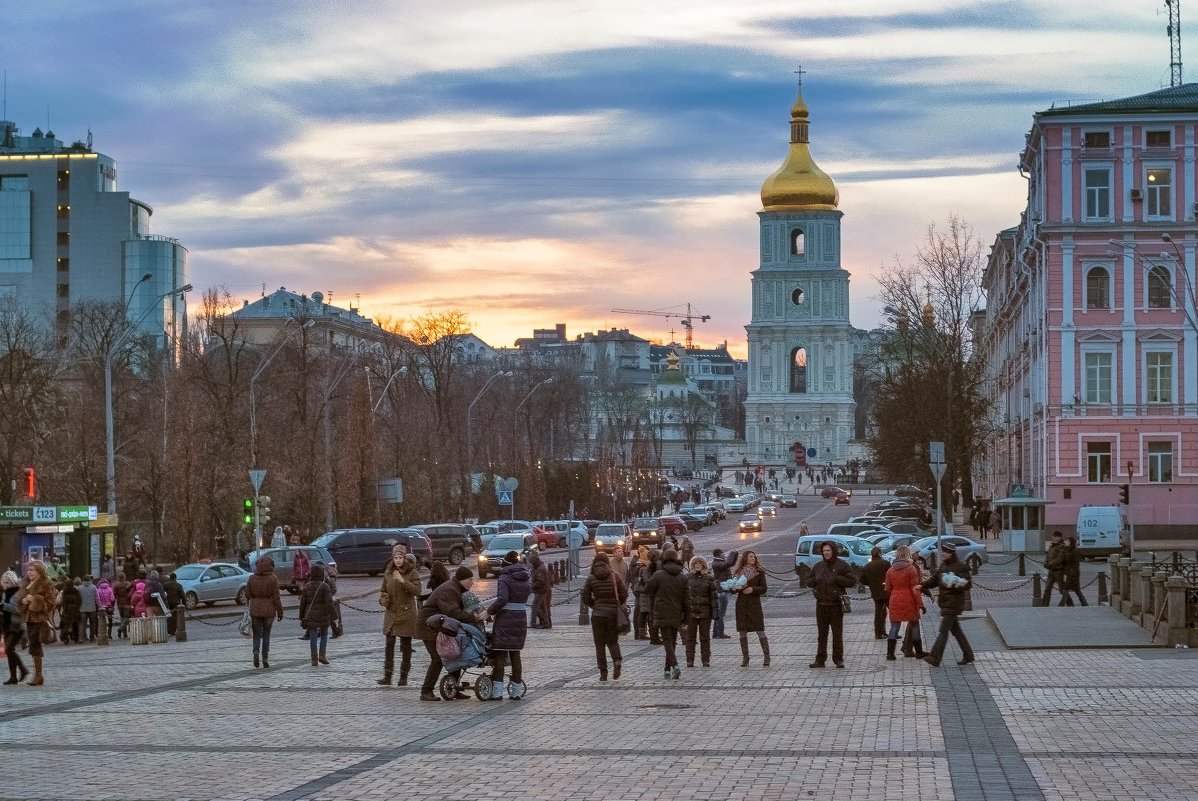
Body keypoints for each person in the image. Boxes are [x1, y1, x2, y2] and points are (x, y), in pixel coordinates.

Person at [415, 566, 481, 701]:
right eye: (470, 579)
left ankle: (454, 688)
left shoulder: (456, 588)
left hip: (440, 627)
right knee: (437, 659)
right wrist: (473, 618)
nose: (472, 583)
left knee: (455, 656)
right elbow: (452, 612)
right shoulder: (449, 590)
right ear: (462, 580)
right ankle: (426, 691)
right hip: (429, 627)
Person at [486, 551, 531, 699]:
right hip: (520, 617)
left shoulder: (505, 577)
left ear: (505, 564)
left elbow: (502, 599)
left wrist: (489, 612)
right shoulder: (525, 577)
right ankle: (516, 691)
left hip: (505, 618)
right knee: (515, 654)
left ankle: (497, 692)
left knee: (500, 654)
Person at [922, 542, 975, 667]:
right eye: (942, 552)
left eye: (944, 552)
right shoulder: (943, 566)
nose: (942, 554)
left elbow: (967, 584)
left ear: (950, 553)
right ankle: (968, 655)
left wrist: (955, 583)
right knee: (956, 631)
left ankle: (935, 657)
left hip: (954, 603)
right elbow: (934, 580)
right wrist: (922, 585)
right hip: (946, 602)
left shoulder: (960, 567)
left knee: (943, 631)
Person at [805, 542, 856, 668]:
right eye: (824, 551)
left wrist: (837, 578)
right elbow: (809, 580)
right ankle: (820, 659)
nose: (826, 553)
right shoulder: (818, 566)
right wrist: (813, 582)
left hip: (836, 604)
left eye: (828, 550)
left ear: (833, 551)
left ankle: (838, 658)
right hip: (821, 604)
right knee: (822, 634)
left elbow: (851, 581)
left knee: (837, 633)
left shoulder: (842, 565)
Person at [642, 548, 689, 679]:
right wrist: (686, 617)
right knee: (672, 640)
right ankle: (667, 669)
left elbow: (647, 589)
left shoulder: (658, 575)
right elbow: (687, 599)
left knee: (667, 641)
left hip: (661, 611)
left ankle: (675, 666)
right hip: (677, 612)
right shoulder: (682, 577)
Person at [581, 552, 627, 681]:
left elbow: (585, 596)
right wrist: (617, 603)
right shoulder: (615, 576)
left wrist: (594, 605)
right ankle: (617, 661)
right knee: (612, 640)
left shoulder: (591, 578)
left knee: (599, 644)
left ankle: (603, 672)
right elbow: (624, 593)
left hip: (598, 614)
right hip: (613, 614)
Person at [378, 549, 421, 686]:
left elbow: (417, 591)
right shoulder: (388, 573)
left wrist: (403, 581)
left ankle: (403, 676)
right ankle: (387, 675)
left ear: (404, 558)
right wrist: (383, 599)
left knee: (405, 646)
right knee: (389, 644)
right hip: (392, 612)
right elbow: (383, 590)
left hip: (406, 613)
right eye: (395, 557)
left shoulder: (412, 572)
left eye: (400, 557)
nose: (397, 560)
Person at [19, 560, 59, 686]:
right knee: (33, 645)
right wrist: (24, 601)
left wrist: (36, 600)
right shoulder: (26, 583)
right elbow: (19, 600)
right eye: (28, 570)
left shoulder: (46, 583)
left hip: (40, 618)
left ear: (39, 571)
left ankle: (38, 675)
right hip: (29, 618)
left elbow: (52, 602)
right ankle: (37, 675)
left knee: (35, 645)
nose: (29, 572)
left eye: (32, 570)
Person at [883, 544, 925, 661]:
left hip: (895, 599)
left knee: (894, 626)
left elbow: (887, 588)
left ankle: (890, 653)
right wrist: (921, 604)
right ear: (907, 554)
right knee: (914, 624)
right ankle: (919, 652)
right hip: (909, 600)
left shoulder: (890, 570)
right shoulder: (911, 568)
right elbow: (915, 588)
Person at [731, 550, 769, 667]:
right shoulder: (738, 572)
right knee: (742, 630)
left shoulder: (759, 572)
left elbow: (763, 588)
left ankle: (767, 656)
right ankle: (745, 657)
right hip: (742, 604)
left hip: (754, 604)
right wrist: (737, 587)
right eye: (751, 557)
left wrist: (752, 589)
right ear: (745, 558)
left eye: (754, 556)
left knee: (759, 629)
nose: (753, 558)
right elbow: (733, 589)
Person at [246, 555, 284, 669]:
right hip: (269, 610)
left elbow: (247, 594)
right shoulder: (273, 578)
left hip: (256, 609)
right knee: (266, 634)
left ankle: (256, 652)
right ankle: (265, 657)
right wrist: (280, 611)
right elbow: (277, 597)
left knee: (256, 634)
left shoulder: (252, 578)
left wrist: (254, 598)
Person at [299, 563, 337, 666]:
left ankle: (314, 659)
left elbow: (302, 604)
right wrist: (334, 615)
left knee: (313, 636)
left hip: (310, 614)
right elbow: (329, 602)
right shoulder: (324, 586)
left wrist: (301, 617)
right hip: (323, 615)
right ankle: (322, 655)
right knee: (324, 634)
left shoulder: (307, 586)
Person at [684, 556, 717, 668]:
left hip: (705, 612)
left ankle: (705, 659)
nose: (698, 565)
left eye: (700, 563)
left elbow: (713, 597)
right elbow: (684, 596)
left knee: (705, 637)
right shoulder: (687, 578)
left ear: (703, 565)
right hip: (691, 612)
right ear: (692, 565)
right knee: (690, 638)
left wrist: (715, 612)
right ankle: (690, 660)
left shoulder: (709, 578)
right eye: (696, 563)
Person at [2, 570, 29, 685]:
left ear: (13, 581)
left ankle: (23, 669)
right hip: (6, 624)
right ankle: (13, 676)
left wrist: (3, 605)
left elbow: (17, 610)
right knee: (9, 651)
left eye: (8, 582)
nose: (6, 585)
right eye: (4, 582)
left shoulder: (18, 593)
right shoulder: (5, 593)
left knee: (8, 649)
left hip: (17, 625)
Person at [861, 547, 891, 640]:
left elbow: (862, 579)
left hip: (876, 591)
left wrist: (871, 583)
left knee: (878, 613)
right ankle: (891, 631)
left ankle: (878, 633)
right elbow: (891, 575)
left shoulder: (867, 566)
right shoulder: (886, 563)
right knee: (891, 611)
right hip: (887, 590)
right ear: (880, 554)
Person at [628, 546, 652, 640]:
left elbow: (630, 577)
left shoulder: (635, 564)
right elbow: (645, 580)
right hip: (642, 591)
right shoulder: (643, 566)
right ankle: (641, 633)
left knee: (640, 612)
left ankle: (639, 633)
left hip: (637, 590)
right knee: (643, 612)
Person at [1059, 536, 1088, 606]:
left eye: (1068, 541)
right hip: (1067, 573)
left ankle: (1061, 605)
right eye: (1066, 541)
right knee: (1073, 590)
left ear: (1071, 543)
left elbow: (1076, 564)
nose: (1066, 542)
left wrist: (1071, 574)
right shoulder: (1066, 550)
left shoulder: (1075, 551)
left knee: (1071, 590)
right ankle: (1084, 604)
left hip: (1072, 574)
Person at [710, 548, 732, 639]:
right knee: (721, 613)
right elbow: (727, 564)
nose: (723, 554)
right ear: (718, 555)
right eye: (722, 553)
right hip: (722, 589)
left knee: (719, 613)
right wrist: (733, 554)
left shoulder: (718, 562)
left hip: (723, 588)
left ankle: (715, 633)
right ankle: (720, 633)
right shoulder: (717, 563)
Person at [1042, 531, 1068, 606]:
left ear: (1059, 537)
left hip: (1059, 571)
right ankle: (1044, 605)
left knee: (1061, 589)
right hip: (1051, 571)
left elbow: (1060, 559)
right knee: (1047, 589)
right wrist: (1046, 563)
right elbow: (1048, 556)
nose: (1053, 538)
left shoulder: (1062, 546)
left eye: (1054, 536)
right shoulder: (1051, 546)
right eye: (1053, 536)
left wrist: (1050, 564)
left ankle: (1069, 602)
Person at [527, 550, 551, 629]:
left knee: (535, 607)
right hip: (541, 590)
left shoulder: (540, 569)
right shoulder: (540, 567)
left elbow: (540, 581)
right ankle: (545, 622)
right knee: (542, 608)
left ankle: (534, 623)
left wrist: (531, 586)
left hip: (541, 591)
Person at [59, 578, 82, 643]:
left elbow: (63, 602)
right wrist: (77, 608)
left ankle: (65, 637)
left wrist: (64, 608)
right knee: (75, 624)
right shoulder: (76, 591)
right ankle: (75, 637)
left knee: (65, 624)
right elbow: (79, 601)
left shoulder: (65, 592)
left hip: (67, 610)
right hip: (74, 610)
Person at [78, 575, 99, 643]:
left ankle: (81, 638)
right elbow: (97, 598)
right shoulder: (93, 587)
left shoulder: (80, 588)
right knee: (92, 623)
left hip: (82, 608)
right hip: (92, 608)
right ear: (90, 580)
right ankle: (92, 637)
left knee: (82, 624)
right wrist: (100, 606)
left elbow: (78, 599)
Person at [113, 572, 133, 637]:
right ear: (124, 577)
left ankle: (124, 634)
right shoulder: (128, 583)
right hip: (127, 603)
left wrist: (113, 604)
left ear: (118, 578)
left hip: (119, 603)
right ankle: (120, 629)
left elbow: (114, 595)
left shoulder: (116, 585)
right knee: (126, 618)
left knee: (122, 618)